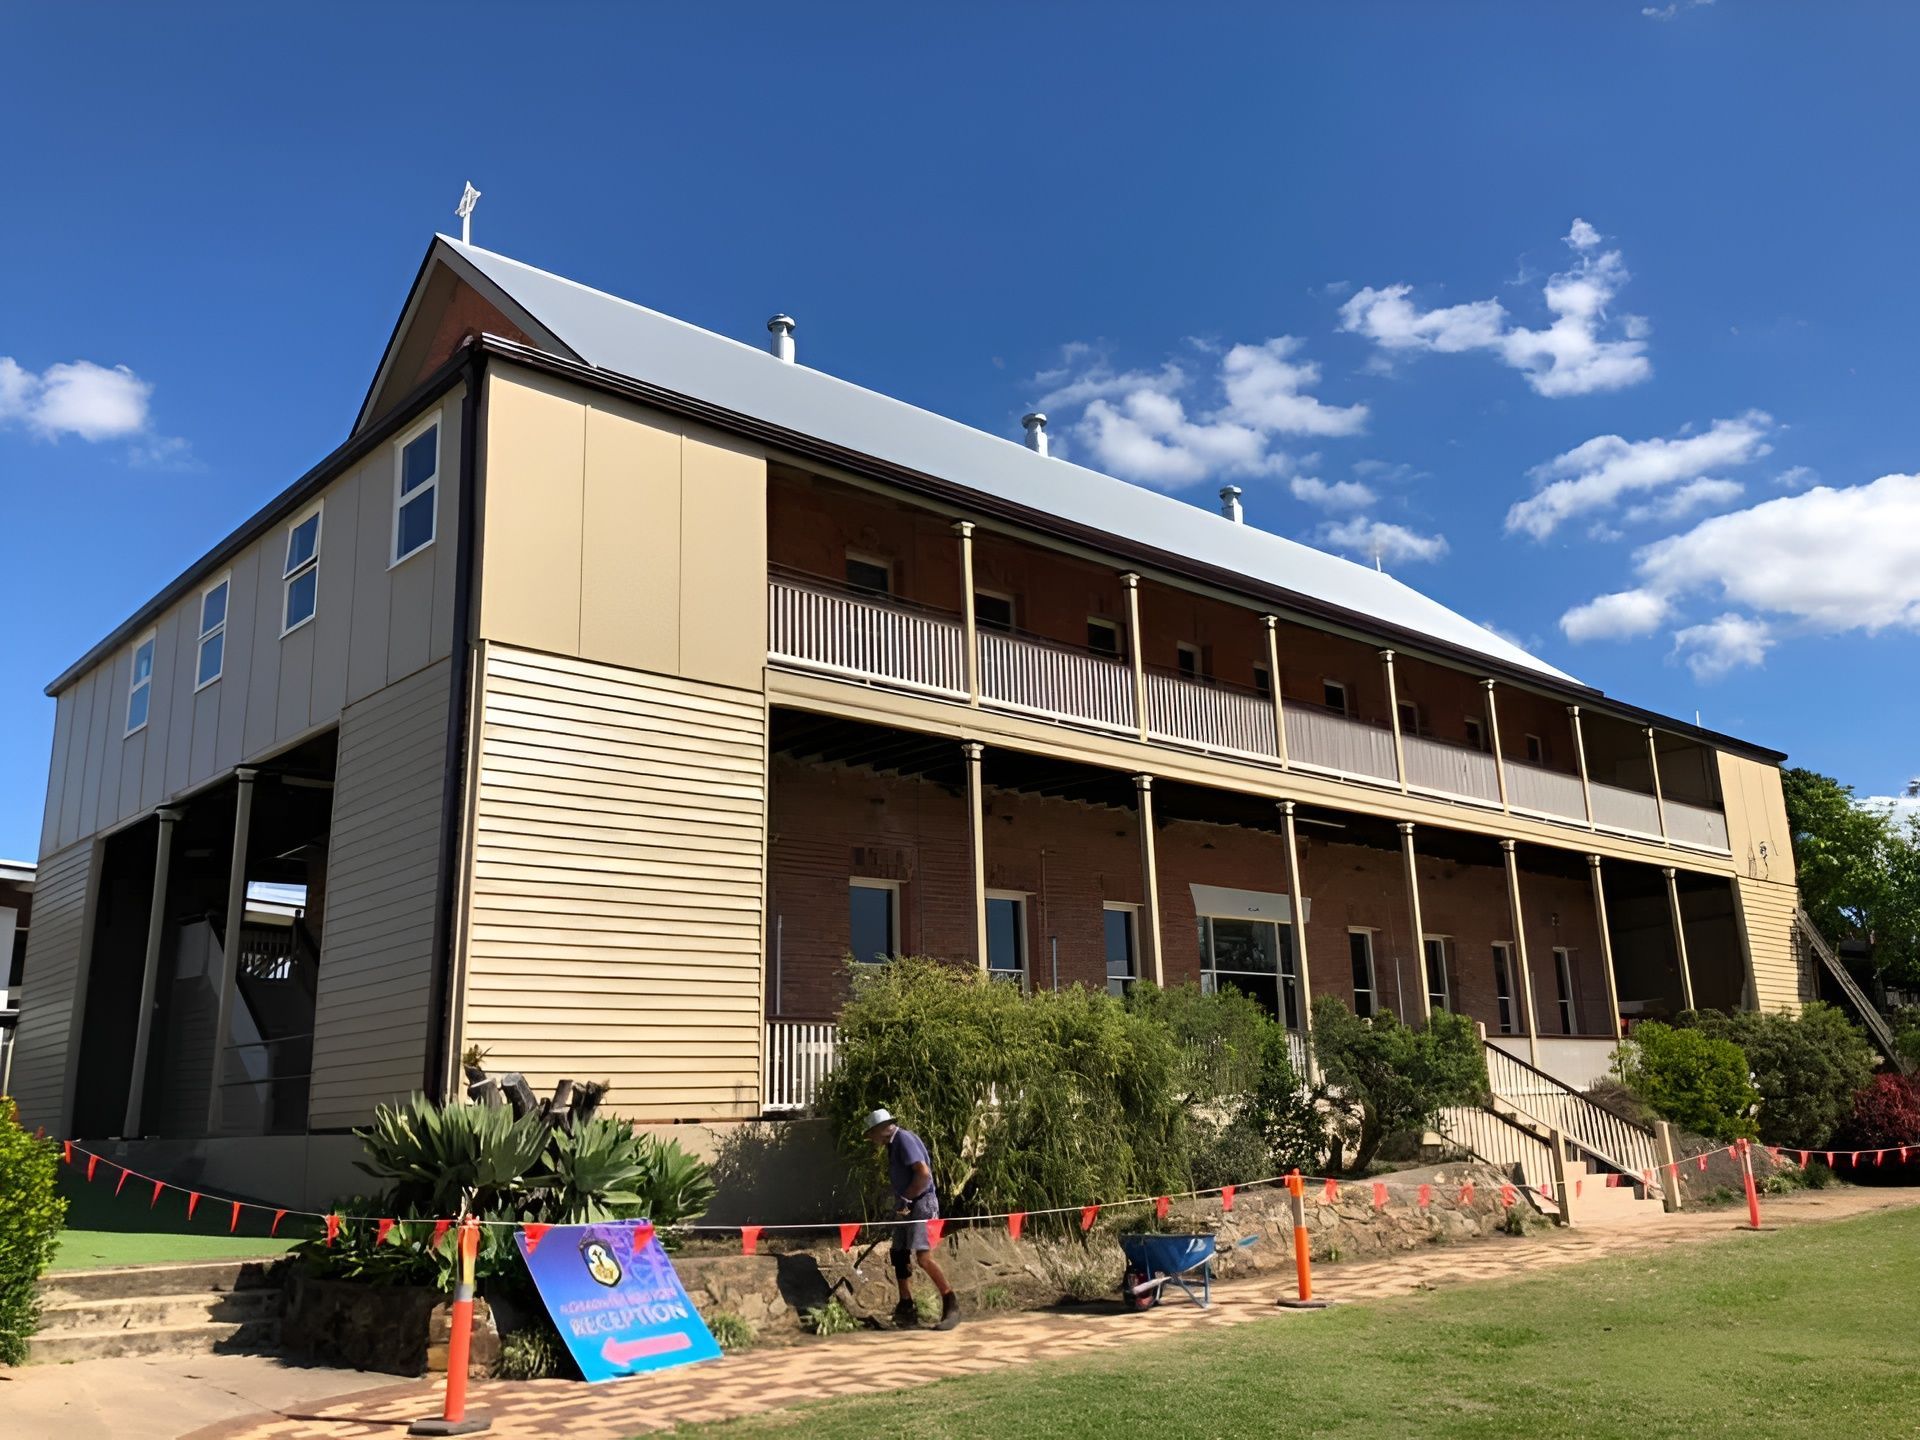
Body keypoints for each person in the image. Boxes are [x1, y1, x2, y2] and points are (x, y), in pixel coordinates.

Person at [863, 1107, 959, 1330]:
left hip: (922, 1205)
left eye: (871, 1134)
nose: (871, 1140)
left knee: (923, 1258)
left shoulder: (903, 1140)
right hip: (908, 1205)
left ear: (881, 1130)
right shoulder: (892, 1145)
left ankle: (951, 1303)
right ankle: (906, 1306)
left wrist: (906, 1198)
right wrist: (902, 1201)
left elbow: (923, 1174)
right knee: (898, 1253)